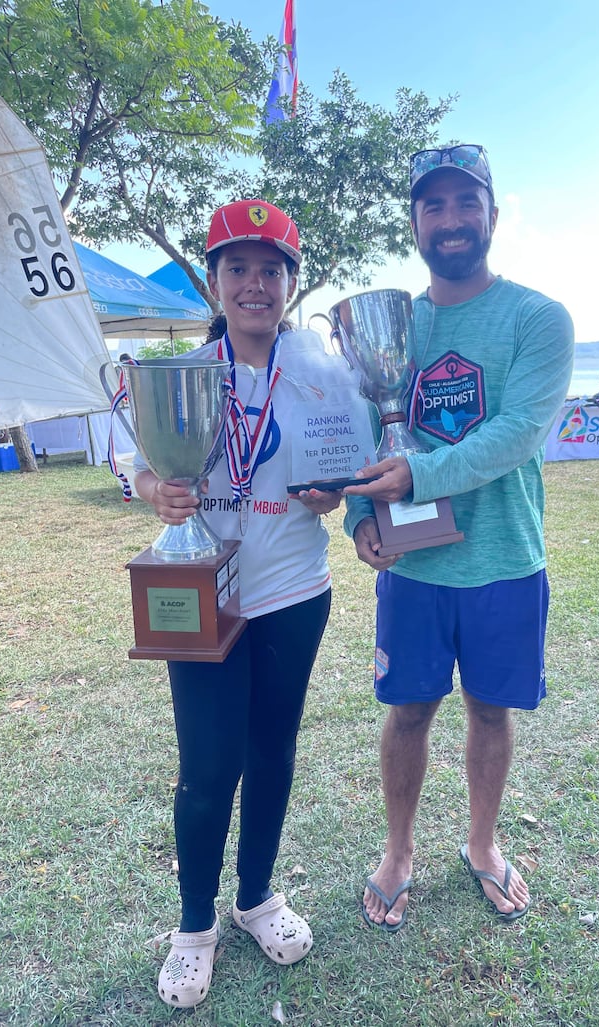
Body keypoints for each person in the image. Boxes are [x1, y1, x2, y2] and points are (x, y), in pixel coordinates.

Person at [133, 200, 360, 1008]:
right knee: (206, 768)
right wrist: (154, 484)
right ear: (217, 281)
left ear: (291, 283)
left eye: (271, 269)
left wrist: (338, 490)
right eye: (238, 268)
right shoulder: (185, 371)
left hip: (296, 591)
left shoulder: (322, 373)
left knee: (273, 751)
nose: (255, 284)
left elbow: (349, 457)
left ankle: (257, 895)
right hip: (203, 593)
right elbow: (137, 466)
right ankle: (195, 927)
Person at [343, 144, 574, 932]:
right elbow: (365, 430)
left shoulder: (538, 317)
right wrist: (361, 517)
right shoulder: (393, 323)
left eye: (464, 203)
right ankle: (399, 850)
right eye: (432, 206)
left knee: (489, 712)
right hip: (415, 568)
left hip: (505, 558)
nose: (450, 220)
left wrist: (417, 478)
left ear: (492, 216)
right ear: (414, 222)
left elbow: (516, 432)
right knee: (407, 712)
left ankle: (480, 843)